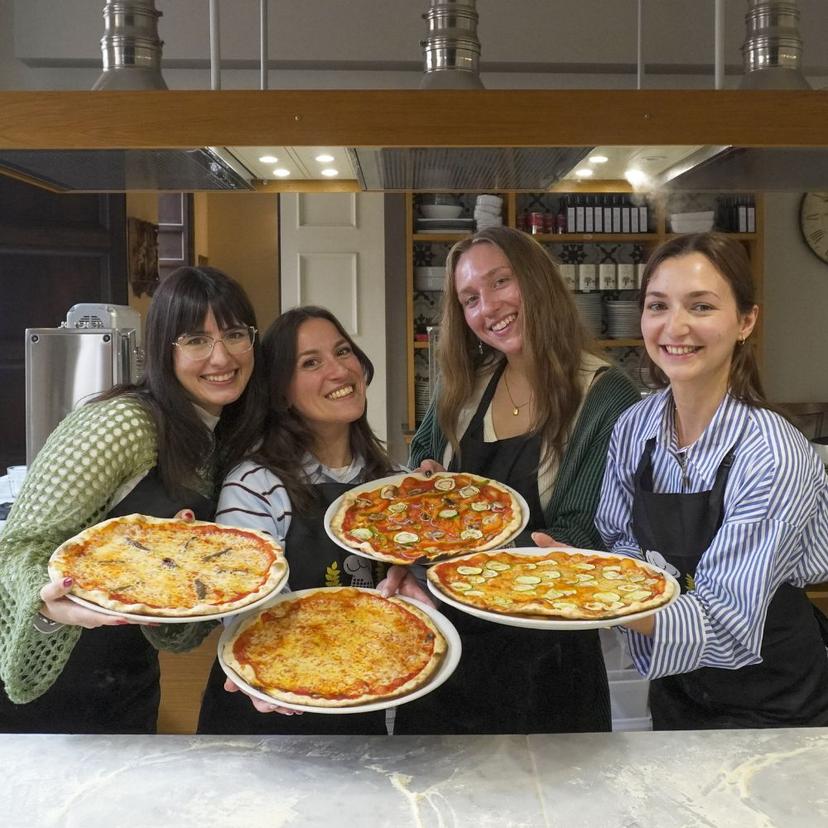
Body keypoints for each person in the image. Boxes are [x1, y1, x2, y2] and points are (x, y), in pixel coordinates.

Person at [390, 226, 641, 735]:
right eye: (470, 299)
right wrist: (424, 481)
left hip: (548, 656)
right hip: (445, 646)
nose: (488, 307)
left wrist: (444, 554)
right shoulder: (466, 383)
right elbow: (423, 459)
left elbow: (582, 535)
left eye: (501, 281)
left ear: (537, 279)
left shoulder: (604, 394)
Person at [0, 266, 266, 733]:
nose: (221, 356)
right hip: (46, 672)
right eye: (196, 340)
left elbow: (171, 609)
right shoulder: (120, 424)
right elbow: (18, 546)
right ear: (164, 350)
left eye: (234, 334)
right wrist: (45, 603)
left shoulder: (224, 435)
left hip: (128, 677)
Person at [594, 231, 828, 730]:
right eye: (658, 305)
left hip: (774, 698)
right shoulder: (634, 427)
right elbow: (618, 540)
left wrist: (596, 599)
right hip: (676, 686)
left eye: (700, 306)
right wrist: (591, 575)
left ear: (746, 321)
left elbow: (728, 621)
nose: (674, 326)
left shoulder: (772, 454)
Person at [197, 305, 425, 735]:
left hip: (371, 693)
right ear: (281, 392)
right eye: (311, 363)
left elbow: (421, 590)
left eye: (343, 351)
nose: (339, 370)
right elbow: (248, 605)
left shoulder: (395, 484)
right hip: (269, 707)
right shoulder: (254, 484)